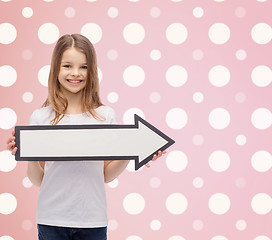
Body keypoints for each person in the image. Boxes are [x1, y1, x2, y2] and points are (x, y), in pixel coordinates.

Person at [6, 34, 165, 240]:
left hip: (93, 220)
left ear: (92, 71)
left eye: (84, 67)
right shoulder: (41, 117)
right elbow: (37, 179)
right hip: (51, 219)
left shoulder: (105, 115)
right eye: (67, 66)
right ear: (56, 69)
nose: (75, 73)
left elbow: (105, 175)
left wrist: (130, 150)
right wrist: (26, 153)